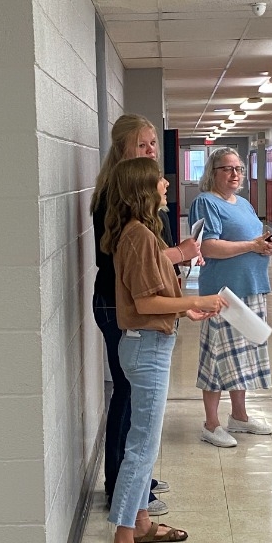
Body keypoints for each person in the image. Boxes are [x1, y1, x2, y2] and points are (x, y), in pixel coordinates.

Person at [102, 156, 225, 543]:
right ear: (142, 189)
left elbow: (155, 298)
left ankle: (139, 521)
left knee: (145, 444)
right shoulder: (137, 236)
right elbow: (144, 301)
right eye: (159, 182)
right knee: (140, 449)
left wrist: (182, 310)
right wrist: (196, 299)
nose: (167, 187)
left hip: (151, 341)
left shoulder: (143, 233)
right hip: (145, 348)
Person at [90, 114, 201, 515]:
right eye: (143, 145)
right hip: (118, 305)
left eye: (154, 144)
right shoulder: (115, 198)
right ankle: (122, 485)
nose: (152, 152)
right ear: (123, 150)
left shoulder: (142, 200)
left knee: (138, 403)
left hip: (133, 305)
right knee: (128, 395)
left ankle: (135, 483)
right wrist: (178, 257)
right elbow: (131, 265)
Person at [188, 147, 272, 447]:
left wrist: (263, 245)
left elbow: (252, 239)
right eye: (227, 169)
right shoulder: (205, 202)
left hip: (251, 285)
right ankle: (211, 424)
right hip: (223, 292)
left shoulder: (244, 204)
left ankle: (239, 416)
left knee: (243, 357)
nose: (235, 174)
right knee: (217, 358)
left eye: (238, 168)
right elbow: (209, 247)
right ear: (213, 172)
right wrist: (251, 246)